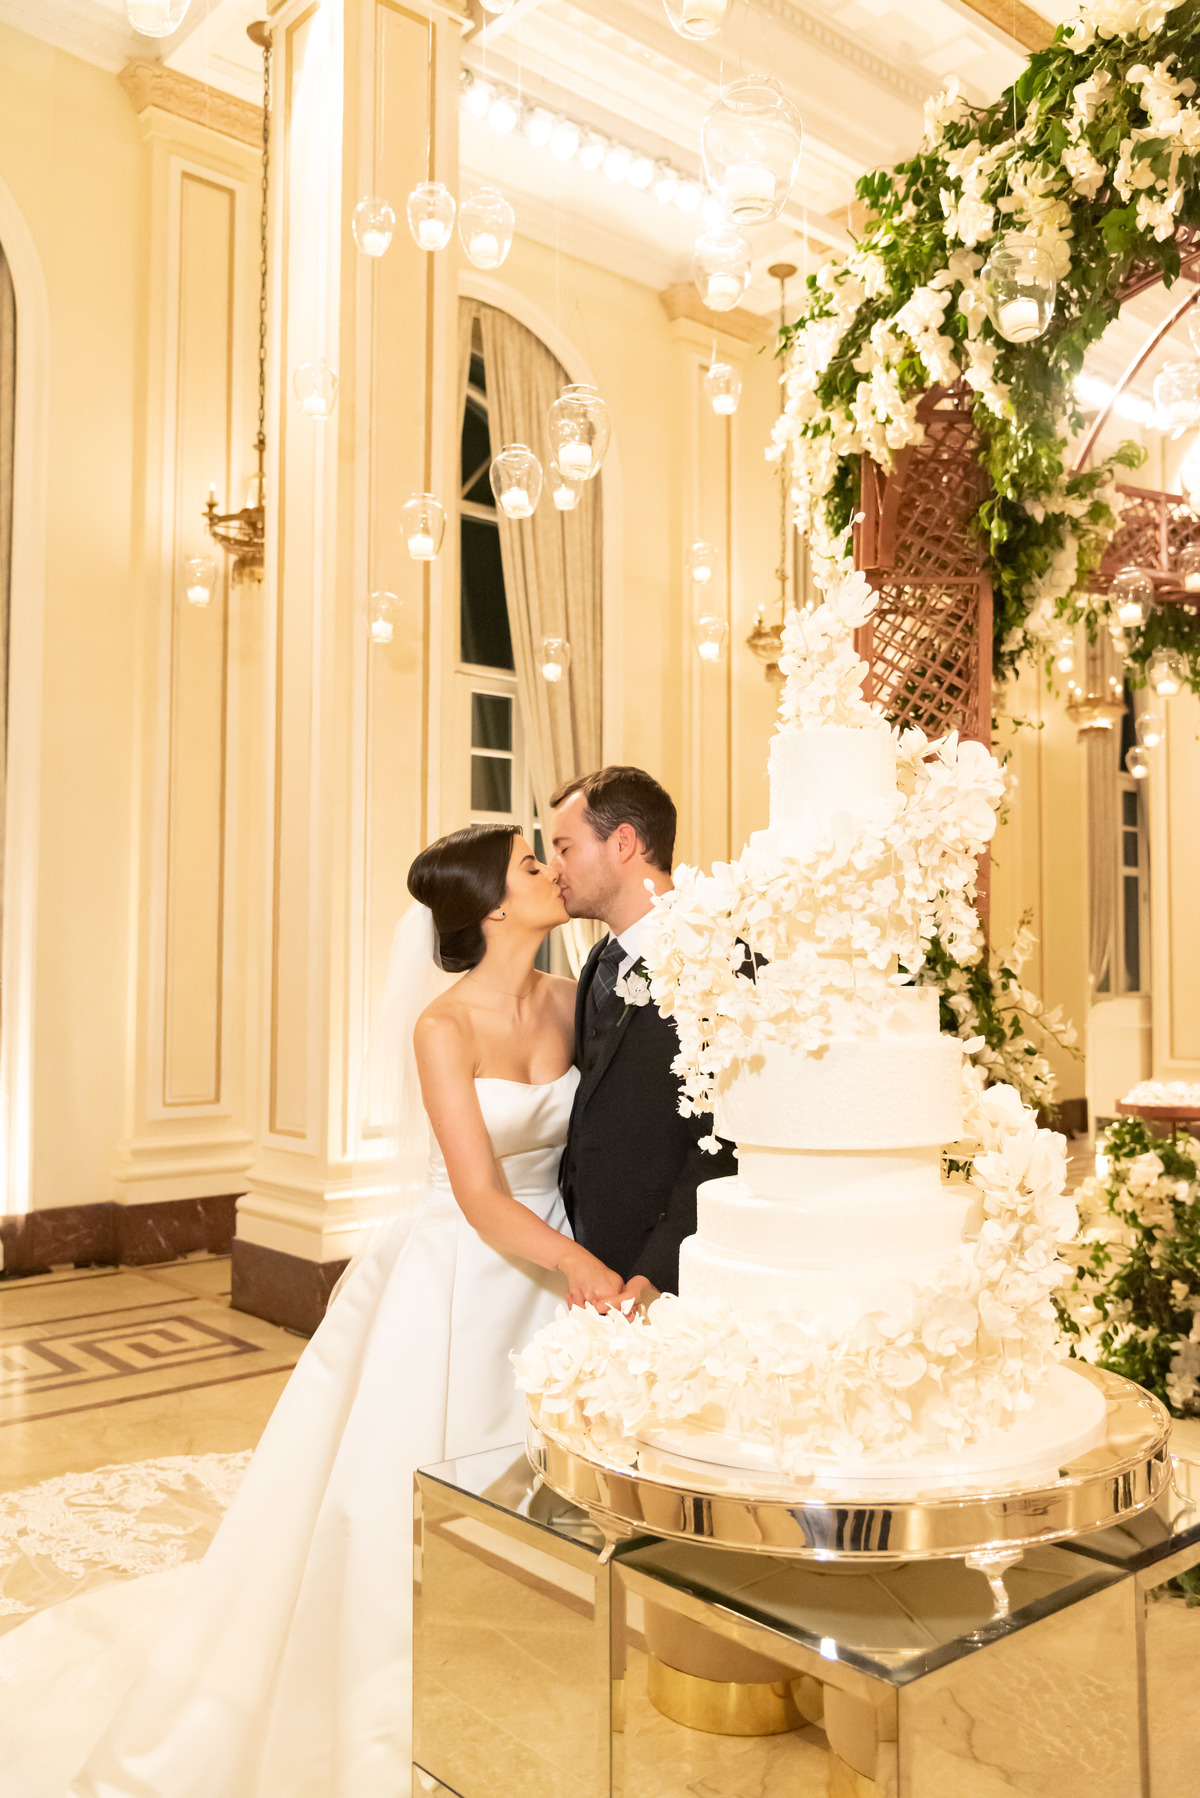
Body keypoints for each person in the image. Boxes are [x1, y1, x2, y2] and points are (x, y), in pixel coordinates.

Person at [0, 825, 622, 1798]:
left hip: (560, 1272)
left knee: (553, 1487)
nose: (552, 871)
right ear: (493, 907)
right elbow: (479, 1193)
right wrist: (581, 1264)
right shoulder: (443, 1027)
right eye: (530, 864)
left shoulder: (572, 999)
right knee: (403, 1491)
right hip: (465, 1270)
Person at [550, 766, 737, 1303]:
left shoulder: (721, 960)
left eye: (565, 847)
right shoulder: (597, 962)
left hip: (670, 1276)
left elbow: (724, 1138)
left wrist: (657, 1271)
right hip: (593, 1265)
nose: (554, 869)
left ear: (623, 842)